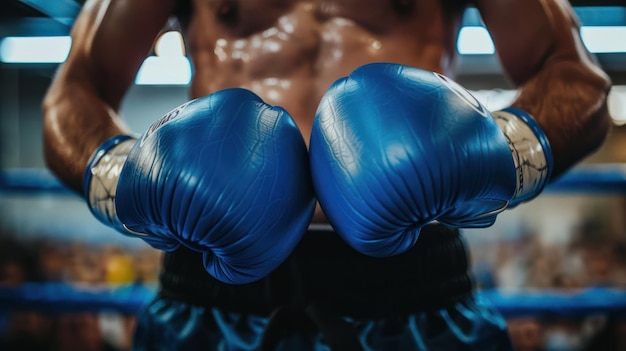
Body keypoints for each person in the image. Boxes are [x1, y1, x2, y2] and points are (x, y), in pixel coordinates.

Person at [41, 0, 612, 349]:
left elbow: (577, 79)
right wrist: (130, 179)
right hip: (210, 276)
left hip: (411, 281)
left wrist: (499, 155)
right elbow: (75, 89)